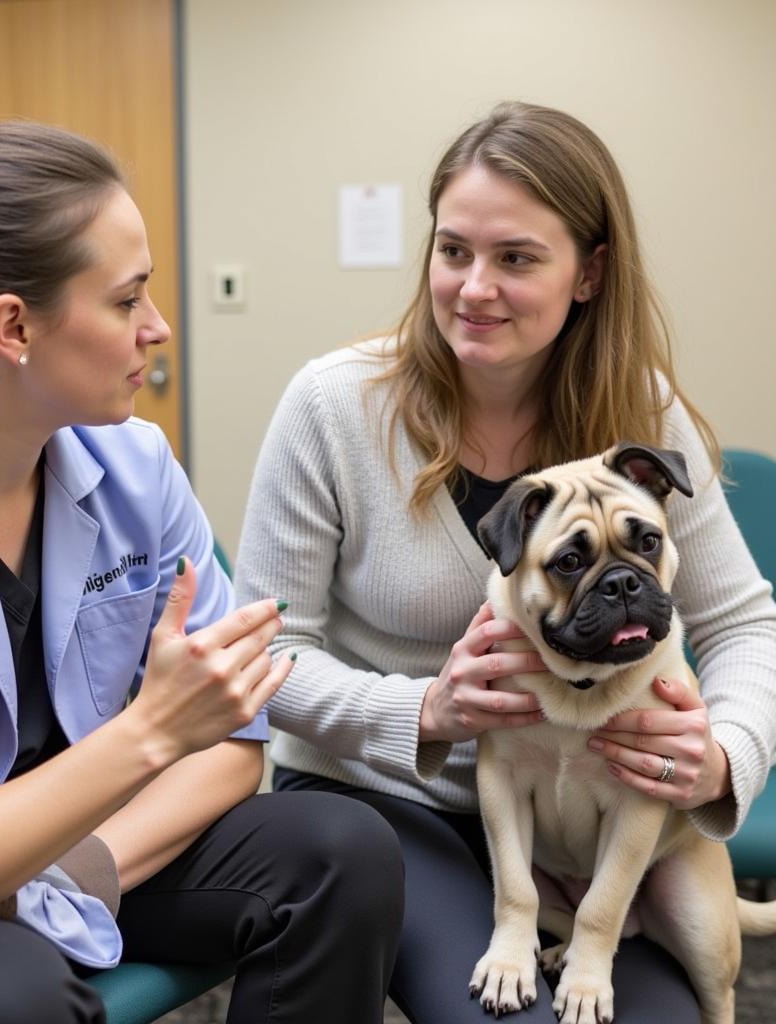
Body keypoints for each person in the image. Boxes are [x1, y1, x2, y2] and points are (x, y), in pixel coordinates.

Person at [0, 121, 405, 1024]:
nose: (158, 327)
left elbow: (230, 743)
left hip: (76, 850)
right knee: (2, 995)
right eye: (127, 300)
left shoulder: (137, 465)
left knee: (344, 849)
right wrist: (148, 734)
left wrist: (43, 873)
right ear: (13, 326)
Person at [235, 101, 776, 1023]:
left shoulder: (635, 407)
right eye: (453, 251)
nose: (473, 287)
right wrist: (426, 711)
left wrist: (723, 756)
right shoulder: (333, 407)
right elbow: (263, 655)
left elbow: (742, 621)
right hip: (380, 797)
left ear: (590, 273)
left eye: (516, 258)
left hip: (588, 821)